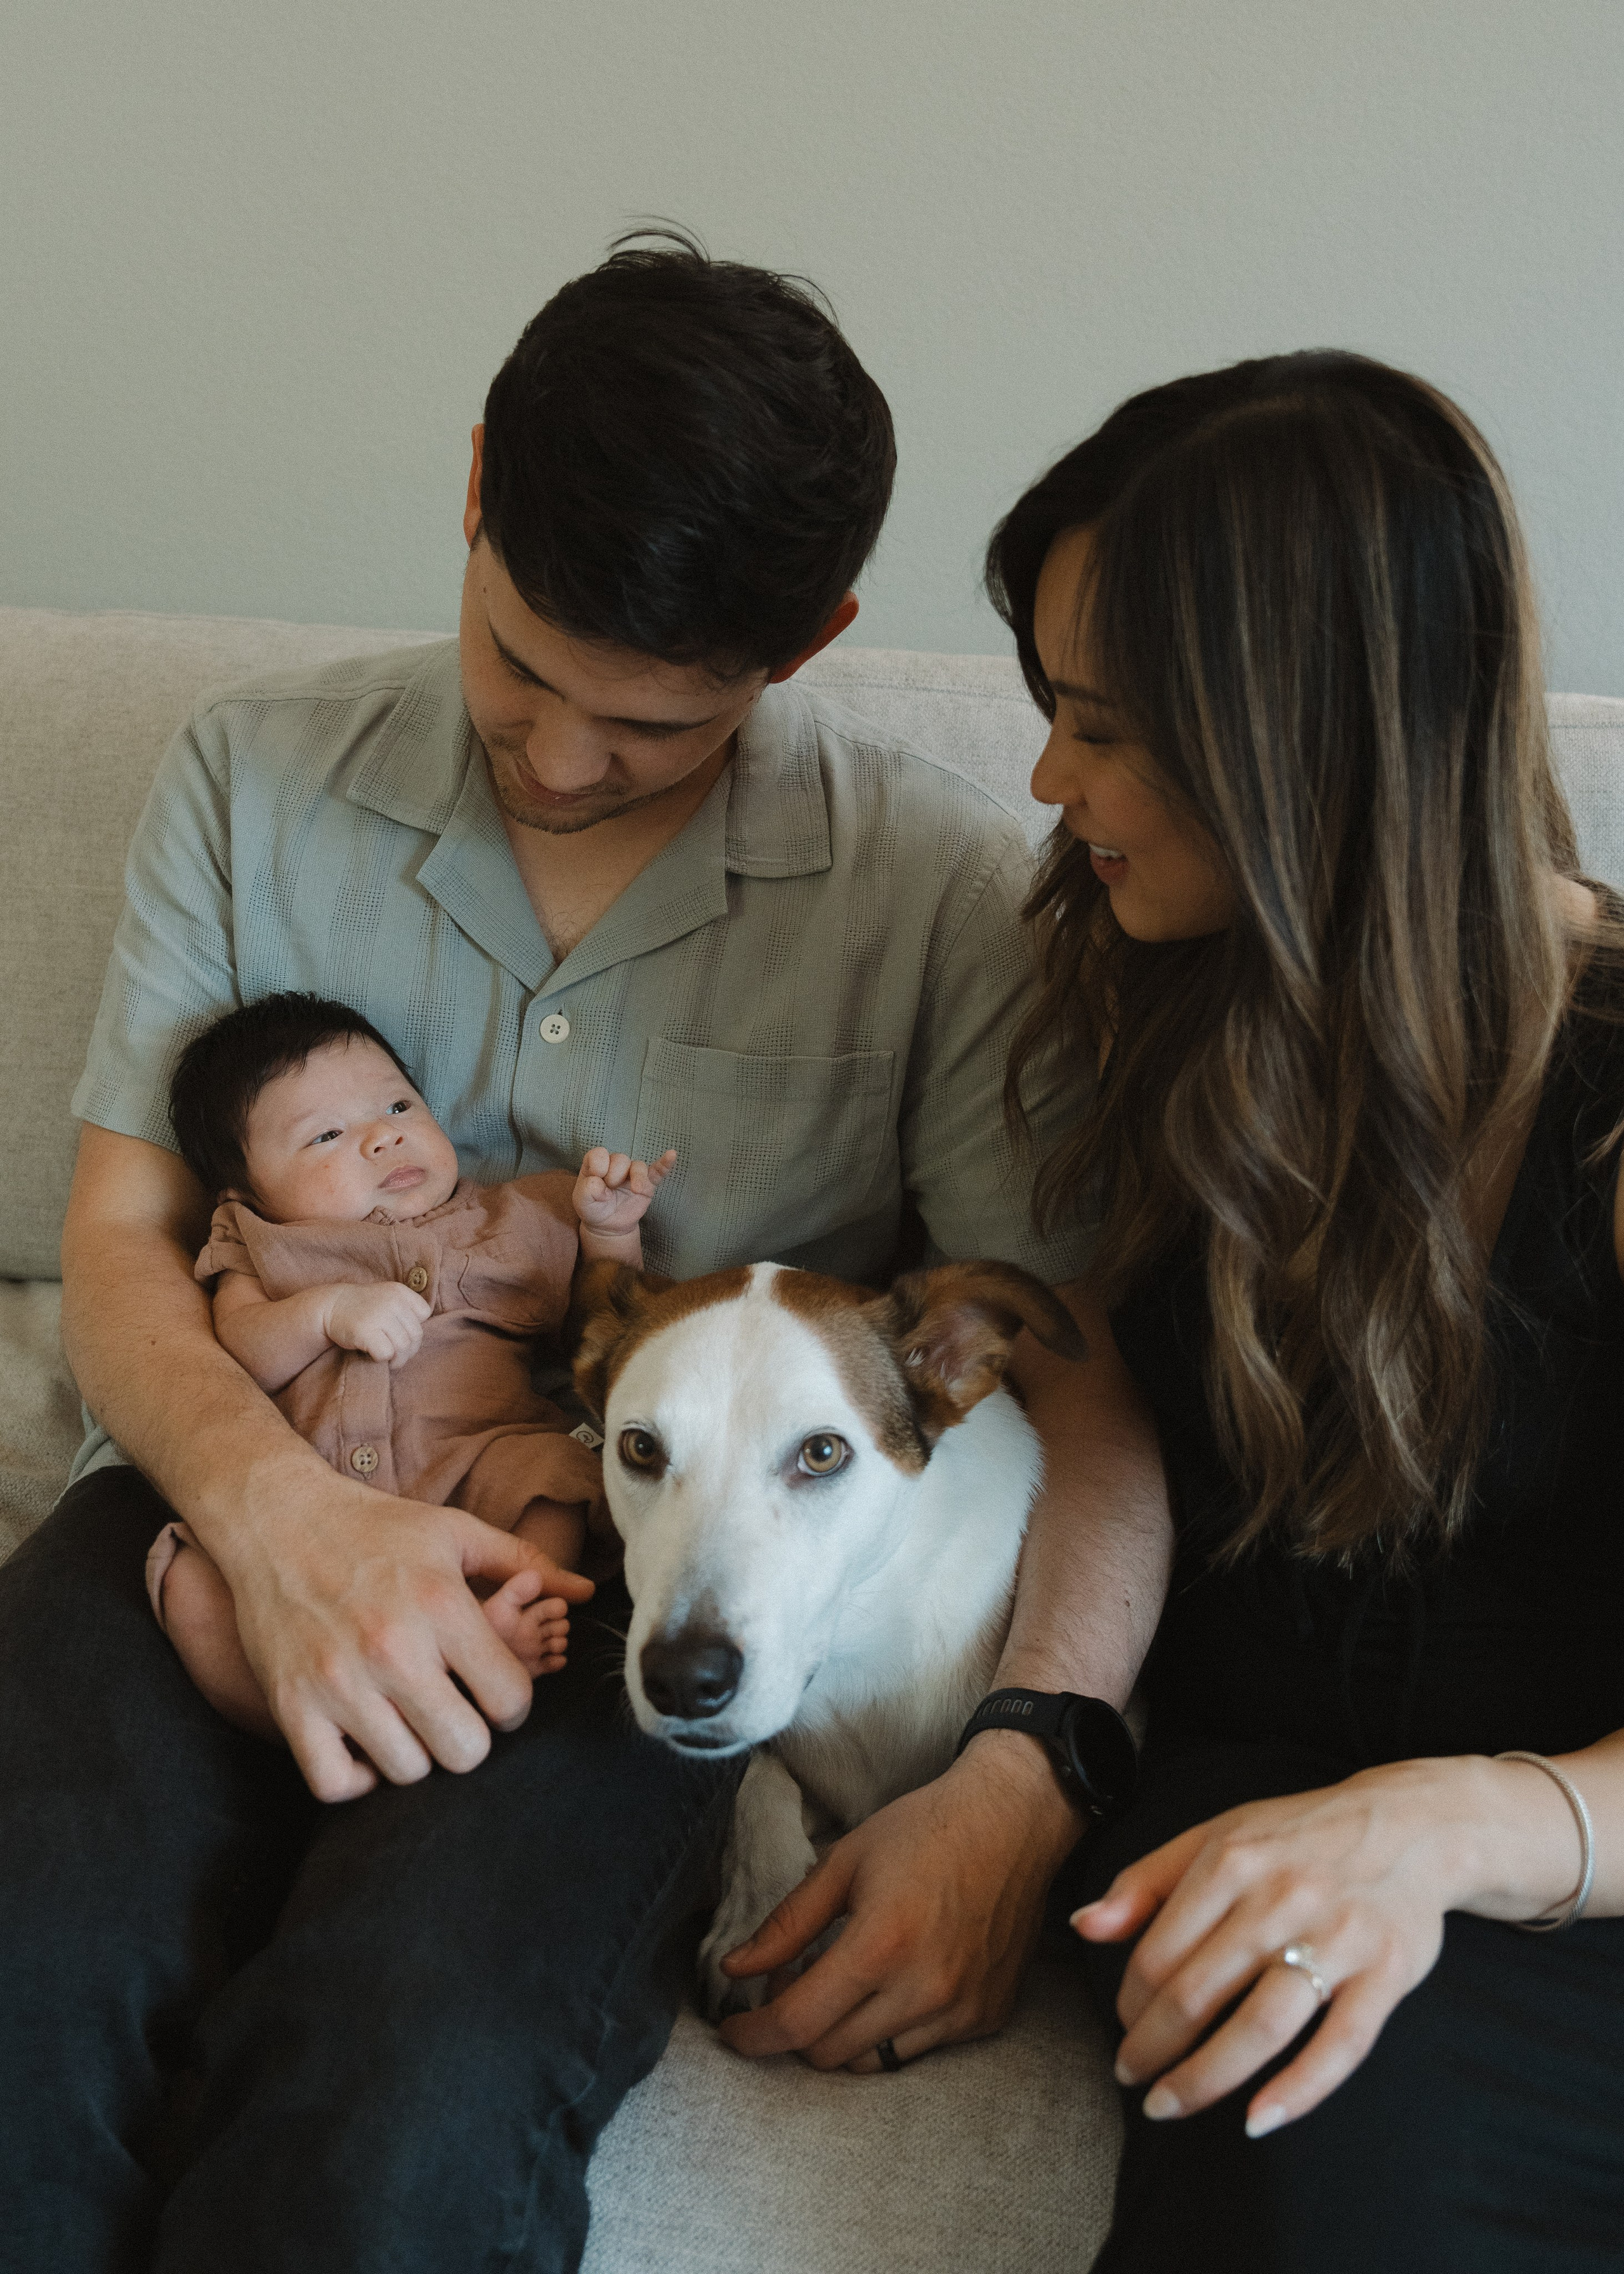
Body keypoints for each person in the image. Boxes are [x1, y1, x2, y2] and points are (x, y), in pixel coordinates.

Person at [0, 232, 1166, 2273]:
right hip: (201, 1490)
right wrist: (280, 1521)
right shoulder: (246, 777)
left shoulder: (935, 892)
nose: (551, 756)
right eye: (519, 665)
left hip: (604, 1581)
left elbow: (1074, 1385)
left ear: (807, 639)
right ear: (470, 491)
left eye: (643, 725)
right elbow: (114, 1242)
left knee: (399, 2109)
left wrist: (1026, 1772)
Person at [983, 349, 1624, 2270]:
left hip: (1560, 1874)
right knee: (1250, 2012)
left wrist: (1430, 1834)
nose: (1042, 778)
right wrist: (1024, 1763)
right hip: (1243, 1819)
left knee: (1310, 2094)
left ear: (1300, 745)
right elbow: (1081, 1392)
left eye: (1099, 726)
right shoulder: (1148, 976)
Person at [150, 990, 680, 1726]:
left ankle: (500, 1617)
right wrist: (325, 1312)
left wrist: (611, 1233)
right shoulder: (262, 1243)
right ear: (248, 1192)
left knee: (554, 1480)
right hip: (311, 1504)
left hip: (475, 1464)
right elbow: (239, 1350)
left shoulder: (514, 1218)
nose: (381, 1138)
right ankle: (289, 1714)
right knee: (189, 1576)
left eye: (398, 1108)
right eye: (327, 1133)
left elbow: (605, 1324)